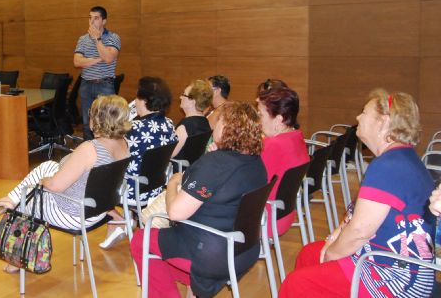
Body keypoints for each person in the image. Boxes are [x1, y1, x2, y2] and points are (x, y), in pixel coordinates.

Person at [280, 89, 436, 298]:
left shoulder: (388, 166)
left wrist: (332, 254)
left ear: (383, 122)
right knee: (310, 254)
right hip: (392, 262)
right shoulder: (401, 157)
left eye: (364, 112)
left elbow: (360, 231)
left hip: (396, 278)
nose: (358, 117)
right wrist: (334, 237)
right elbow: (357, 215)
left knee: (297, 284)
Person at [130, 101, 268, 297]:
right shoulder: (256, 163)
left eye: (219, 121)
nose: (215, 125)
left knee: (141, 239)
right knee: (165, 246)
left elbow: (175, 213)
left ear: (227, 128)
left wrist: (172, 184)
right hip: (243, 250)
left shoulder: (215, 164)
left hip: (211, 254)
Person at [0, 95, 131, 273]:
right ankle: (8, 199)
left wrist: (42, 181)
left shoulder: (90, 149)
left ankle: (17, 259)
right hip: (97, 209)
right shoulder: (123, 144)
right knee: (48, 165)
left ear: (96, 120)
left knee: (26, 198)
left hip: (73, 214)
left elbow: (55, 186)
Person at [99, 76, 178, 249]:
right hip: (156, 187)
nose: (134, 101)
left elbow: (112, 157)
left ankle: (118, 220)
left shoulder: (133, 129)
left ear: (144, 101)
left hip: (132, 189)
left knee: (93, 179)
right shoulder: (169, 124)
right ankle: (121, 221)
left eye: (137, 97)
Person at [257, 80, 308, 238]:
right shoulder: (297, 137)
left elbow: (251, 184)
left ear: (279, 119)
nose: (258, 121)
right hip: (283, 214)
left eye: (260, 115)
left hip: (264, 219)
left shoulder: (273, 145)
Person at [73, 5, 121, 140]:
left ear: (104, 21)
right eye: (90, 18)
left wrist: (97, 40)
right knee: (87, 123)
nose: (92, 21)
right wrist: (99, 58)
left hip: (105, 85)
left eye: (96, 18)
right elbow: (77, 62)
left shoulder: (113, 37)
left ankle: (106, 151)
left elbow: (109, 58)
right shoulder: (83, 39)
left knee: (106, 123)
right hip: (86, 85)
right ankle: (89, 150)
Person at [172, 79, 212, 157]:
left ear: (193, 101)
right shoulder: (204, 121)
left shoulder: (185, 126)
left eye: (183, 94)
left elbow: (169, 155)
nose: (180, 97)